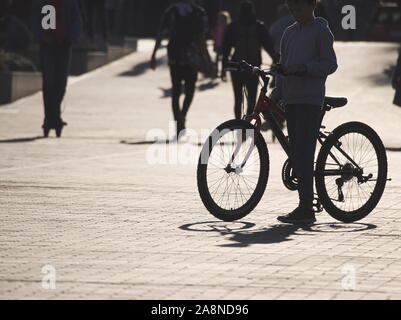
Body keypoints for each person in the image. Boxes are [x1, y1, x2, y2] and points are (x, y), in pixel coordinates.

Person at [270, 0, 338, 224]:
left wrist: (305, 68)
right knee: (297, 150)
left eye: (298, 8)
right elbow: (282, 64)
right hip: (291, 98)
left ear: (311, 5)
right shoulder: (289, 32)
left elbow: (330, 64)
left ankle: (306, 209)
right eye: (291, 9)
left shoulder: (321, 30)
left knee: (304, 153)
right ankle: (305, 203)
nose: (295, 13)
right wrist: (277, 92)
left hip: (309, 99)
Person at [150, 0, 208, 138]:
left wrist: (153, 54)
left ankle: (178, 119)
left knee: (176, 90)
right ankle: (182, 116)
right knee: (190, 90)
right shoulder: (198, 12)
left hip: (175, 55)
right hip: (191, 56)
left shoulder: (171, 11)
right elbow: (201, 38)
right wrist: (206, 58)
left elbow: (161, 34)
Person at [31, 0, 81, 138]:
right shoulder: (45, 3)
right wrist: (43, 36)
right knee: (49, 83)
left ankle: (53, 117)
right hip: (48, 46)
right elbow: (38, 18)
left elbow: (76, 19)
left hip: (64, 45)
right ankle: (51, 119)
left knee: (60, 83)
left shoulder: (69, 3)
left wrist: (73, 37)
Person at [222, 1, 276, 120]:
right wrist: (275, 61)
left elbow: (226, 48)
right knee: (252, 99)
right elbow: (268, 46)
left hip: (236, 67)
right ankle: (246, 124)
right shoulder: (259, 26)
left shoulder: (233, 27)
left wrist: (223, 68)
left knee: (238, 99)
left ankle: (238, 123)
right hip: (253, 67)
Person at [213, 11, 231, 77]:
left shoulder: (228, 27)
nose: (222, 19)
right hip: (218, 45)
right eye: (221, 18)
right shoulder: (218, 26)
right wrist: (214, 44)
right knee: (217, 59)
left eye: (224, 18)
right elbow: (215, 36)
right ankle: (216, 71)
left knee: (224, 59)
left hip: (225, 45)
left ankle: (224, 72)